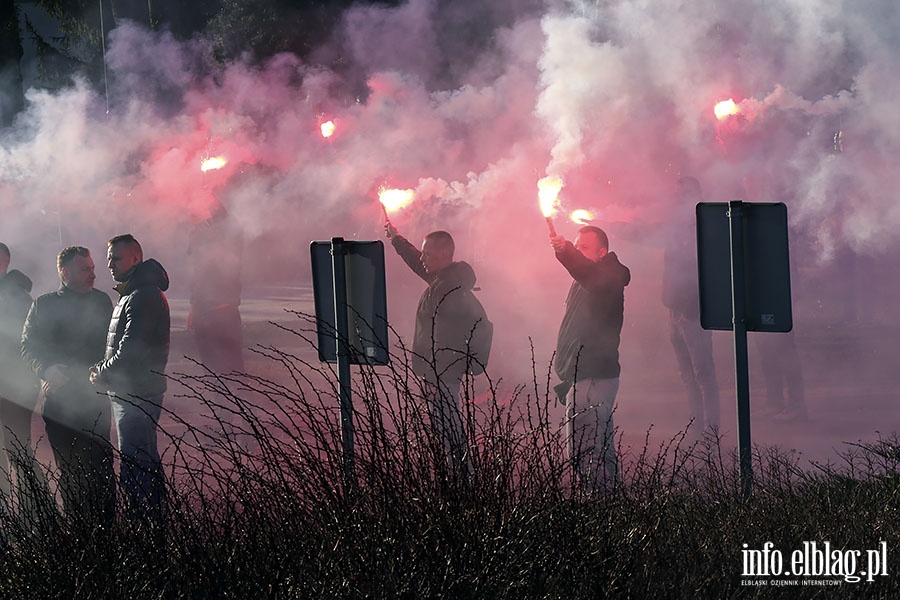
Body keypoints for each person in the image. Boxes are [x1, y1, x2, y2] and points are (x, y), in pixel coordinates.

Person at [385, 223, 490, 476]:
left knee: (448, 429)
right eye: (423, 253)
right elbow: (416, 261)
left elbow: (443, 338)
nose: (423, 259)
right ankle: (460, 481)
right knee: (446, 428)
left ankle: (463, 485)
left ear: (445, 255)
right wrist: (397, 240)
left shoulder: (448, 288)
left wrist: (434, 375)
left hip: (441, 374)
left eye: (428, 254)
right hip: (441, 374)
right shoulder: (445, 279)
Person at [21, 246, 115, 525]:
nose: (93, 274)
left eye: (93, 268)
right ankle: (78, 533)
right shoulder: (45, 304)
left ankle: (107, 530)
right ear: (65, 272)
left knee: (102, 466)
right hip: (61, 404)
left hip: (95, 399)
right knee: (70, 469)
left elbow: (111, 347)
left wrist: (107, 374)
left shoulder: (102, 301)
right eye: (85, 269)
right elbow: (28, 346)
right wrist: (46, 369)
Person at [90, 234, 170, 524]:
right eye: (109, 257)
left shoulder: (144, 295)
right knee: (144, 461)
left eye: (117, 258)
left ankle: (144, 534)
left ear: (136, 259)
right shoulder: (134, 293)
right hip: (133, 391)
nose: (110, 264)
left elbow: (130, 350)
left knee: (137, 466)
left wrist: (101, 371)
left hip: (136, 393)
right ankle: (153, 529)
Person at [551, 225, 630, 493]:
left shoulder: (606, 278)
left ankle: (598, 512)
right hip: (588, 376)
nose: (579, 251)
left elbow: (585, 270)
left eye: (584, 247)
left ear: (602, 253)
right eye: (577, 245)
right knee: (602, 450)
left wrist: (565, 252)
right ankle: (612, 509)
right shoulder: (589, 278)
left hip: (592, 377)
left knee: (584, 454)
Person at [663, 177, 721, 435]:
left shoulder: (704, 226)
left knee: (703, 373)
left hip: (694, 313)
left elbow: (706, 272)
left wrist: (689, 309)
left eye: (684, 194)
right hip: (675, 311)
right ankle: (695, 423)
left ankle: (712, 428)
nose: (679, 199)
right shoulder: (676, 228)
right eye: (677, 194)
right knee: (687, 375)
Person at [0, 243, 45, 519]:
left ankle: (36, 516)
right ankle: (12, 517)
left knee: (17, 450)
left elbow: (25, 344)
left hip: (13, 387)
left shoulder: (16, 297)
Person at [187, 202, 245, 376]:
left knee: (231, 372)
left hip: (222, 311)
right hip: (205, 312)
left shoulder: (227, 233)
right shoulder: (199, 234)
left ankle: (236, 402)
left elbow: (229, 266)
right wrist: (194, 308)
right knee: (212, 372)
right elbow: (198, 276)